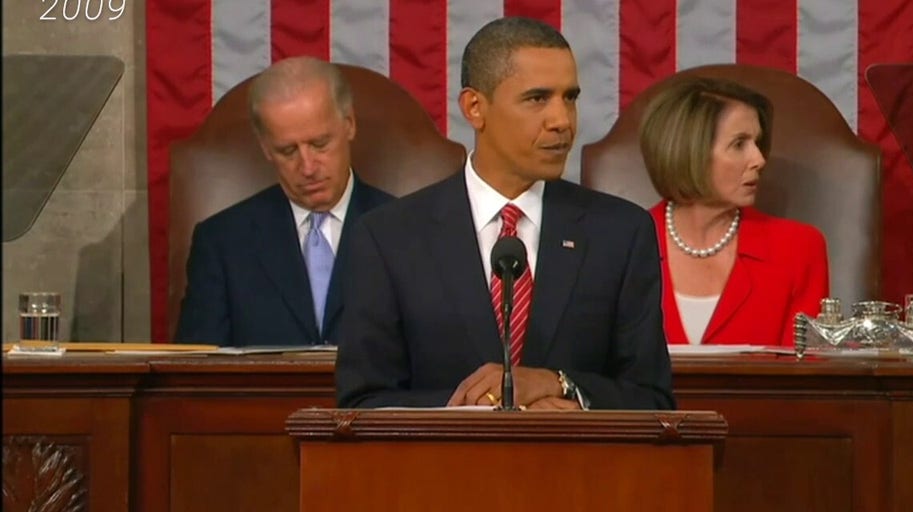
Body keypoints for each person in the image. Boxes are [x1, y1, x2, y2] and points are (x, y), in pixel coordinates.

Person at [335, 17, 674, 410]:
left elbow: (653, 400)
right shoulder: (388, 238)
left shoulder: (620, 233)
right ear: (475, 108)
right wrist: (488, 409)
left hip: (574, 452)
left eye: (570, 98)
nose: (562, 121)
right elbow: (363, 403)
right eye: (537, 99)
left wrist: (561, 386)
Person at [176, 57, 393, 346]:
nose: (308, 167)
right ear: (266, 148)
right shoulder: (222, 242)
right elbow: (196, 364)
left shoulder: (406, 229)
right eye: (288, 151)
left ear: (349, 124)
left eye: (320, 144)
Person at [639, 77, 829, 346]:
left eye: (757, 143)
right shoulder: (622, 245)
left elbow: (806, 368)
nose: (759, 159)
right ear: (689, 151)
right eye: (739, 144)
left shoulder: (799, 249)